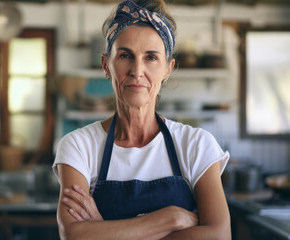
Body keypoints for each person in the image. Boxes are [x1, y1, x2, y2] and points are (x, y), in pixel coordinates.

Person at [53, 0, 231, 239]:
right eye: (125, 55)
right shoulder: (78, 146)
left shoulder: (196, 145)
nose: (137, 71)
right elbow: (74, 236)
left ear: (168, 69)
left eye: (151, 57)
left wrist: (104, 229)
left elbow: (219, 236)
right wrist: (171, 218)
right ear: (106, 64)